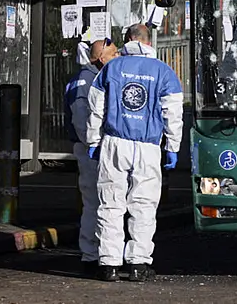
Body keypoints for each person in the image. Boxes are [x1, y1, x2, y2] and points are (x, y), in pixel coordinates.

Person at [86, 24, 183, 282]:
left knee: (110, 204)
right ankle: (139, 263)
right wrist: (172, 147)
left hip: (115, 142)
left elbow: (96, 108)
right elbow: (173, 113)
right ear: (148, 41)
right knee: (144, 205)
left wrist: (93, 141)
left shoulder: (111, 69)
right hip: (148, 146)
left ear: (128, 40)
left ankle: (109, 264)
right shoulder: (164, 72)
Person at [63, 39, 118, 275]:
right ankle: (90, 254)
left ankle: (97, 252)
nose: (118, 57)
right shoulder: (85, 82)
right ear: (101, 58)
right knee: (95, 203)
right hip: (90, 150)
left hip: (97, 147)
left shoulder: (94, 77)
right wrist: (95, 145)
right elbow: (81, 121)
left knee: (101, 203)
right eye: (114, 54)